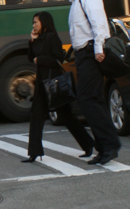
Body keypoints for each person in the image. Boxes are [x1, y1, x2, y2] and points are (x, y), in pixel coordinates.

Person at [58, 0, 121, 165]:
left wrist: (98, 49)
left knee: (87, 99)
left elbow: (98, 22)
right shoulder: (77, 0)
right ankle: (104, 147)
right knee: (93, 99)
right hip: (84, 54)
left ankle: (110, 145)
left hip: (91, 53)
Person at [22, 11, 95, 163]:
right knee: (36, 116)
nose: (33, 25)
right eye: (33, 22)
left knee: (66, 116)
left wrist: (40, 59)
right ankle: (34, 153)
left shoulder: (51, 37)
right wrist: (32, 41)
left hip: (53, 82)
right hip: (42, 83)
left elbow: (58, 59)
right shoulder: (38, 39)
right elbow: (31, 58)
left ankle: (88, 145)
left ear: (44, 23)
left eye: (36, 22)